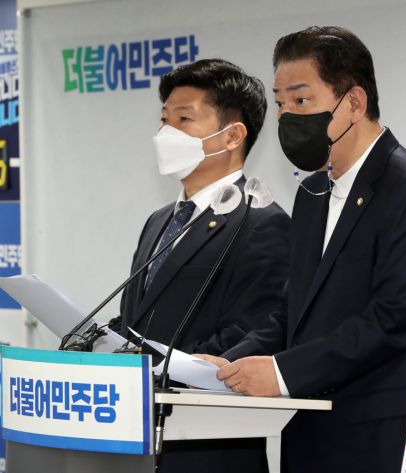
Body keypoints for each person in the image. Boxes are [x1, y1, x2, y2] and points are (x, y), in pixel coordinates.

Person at [196, 26, 406, 473]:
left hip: (375, 435)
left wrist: (283, 373)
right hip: (308, 433)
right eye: (281, 104)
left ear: (353, 102)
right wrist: (228, 363)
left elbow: (395, 319)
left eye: (302, 101)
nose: (287, 117)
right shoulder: (313, 192)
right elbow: (293, 311)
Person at [112, 58, 290, 473]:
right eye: (164, 120)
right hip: (136, 439)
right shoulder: (160, 220)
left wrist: (161, 370)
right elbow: (136, 318)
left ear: (232, 136)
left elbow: (252, 333)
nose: (165, 133)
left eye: (183, 119)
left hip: (208, 447)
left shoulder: (262, 222)